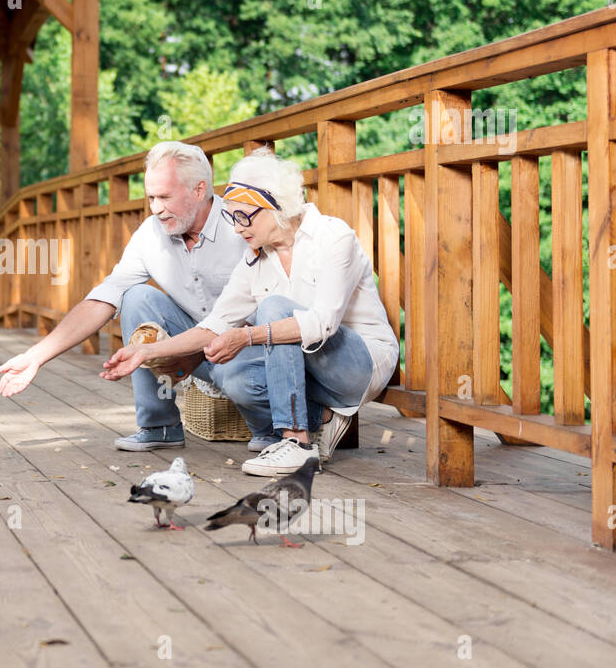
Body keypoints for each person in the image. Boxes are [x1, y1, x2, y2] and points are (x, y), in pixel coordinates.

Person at [101, 147, 399, 476]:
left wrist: (247, 337)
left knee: (273, 308)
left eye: (245, 217)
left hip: (357, 365)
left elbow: (322, 324)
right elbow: (216, 324)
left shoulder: (332, 236)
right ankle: (323, 419)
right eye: (232, 217)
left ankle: (296, 442)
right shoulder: (255, 257)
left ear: (276, 205)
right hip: (306, 373)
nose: (238, 228)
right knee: (238, 380)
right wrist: (145, 352)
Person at [0, 140, 256, 451]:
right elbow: (103, 298)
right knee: (136, 297)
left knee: (245, 385)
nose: (156, 209)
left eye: (165, 197)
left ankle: (278, 432)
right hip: (191, 350)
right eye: (151, 198)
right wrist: (35, 357)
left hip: (247, 349)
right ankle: (159, 427)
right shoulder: (149, 234)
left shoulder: (242, 224)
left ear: (199, 190)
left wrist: (193, 351)